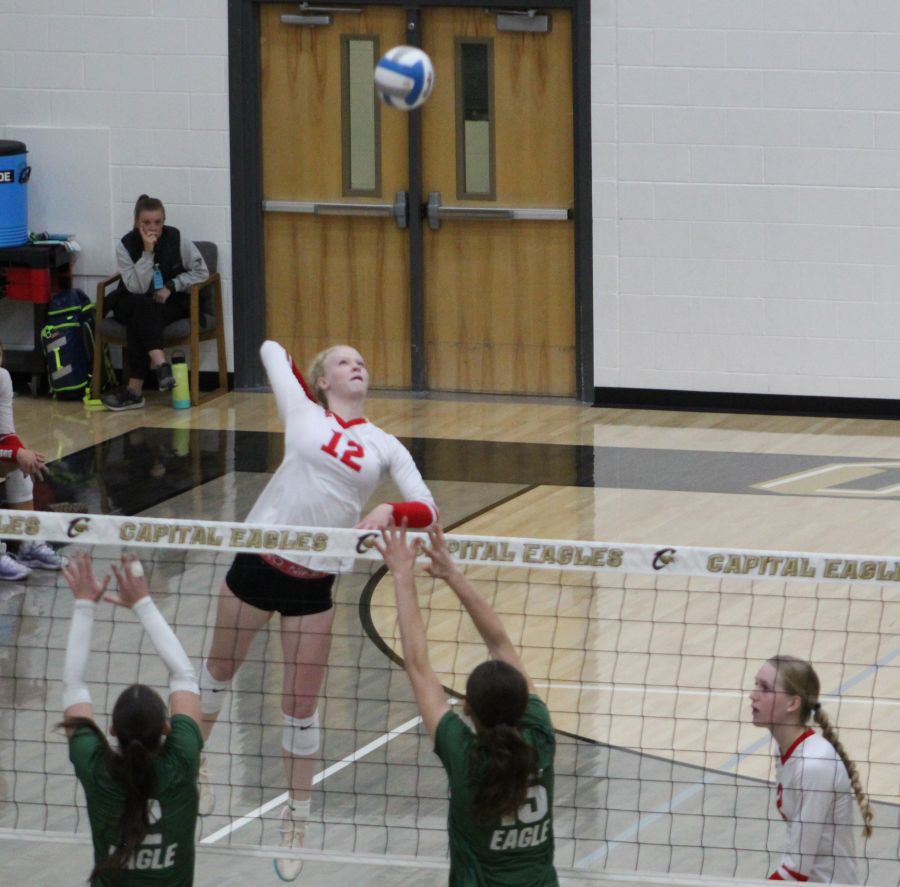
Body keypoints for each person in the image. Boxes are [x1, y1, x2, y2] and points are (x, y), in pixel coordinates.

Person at [197, 339, 437, 881]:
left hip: (314, 585)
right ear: (323, 379)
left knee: (301, 707)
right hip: (259, 562)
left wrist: (387, 509)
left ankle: (296, 821)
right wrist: (305, 392)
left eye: (362, 361)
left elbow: (428, 508)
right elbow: (268, 347)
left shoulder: (384, 445)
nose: (358, 365)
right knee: (216, 676)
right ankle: (191, 762)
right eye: (344, 361)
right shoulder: (302, 411)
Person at [377, 524, 558, 887]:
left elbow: (417, 664)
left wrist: (402, 575)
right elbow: (500, 643)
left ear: (467, 708)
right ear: (524, 703)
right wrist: (452, 574)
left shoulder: (463, 756)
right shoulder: (541, 738)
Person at [60, 551, 203, 885]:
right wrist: (143, 603)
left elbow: (73, 685)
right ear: (166, 727)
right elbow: (184, 676)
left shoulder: (96, 767)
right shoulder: (181, 761)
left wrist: (84, 605)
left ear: (111, 730)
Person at [749, 655, 874, 882]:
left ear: (793, 703)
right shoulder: (785, 749)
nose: (752, 694)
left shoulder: (813, 764)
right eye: (755, 684)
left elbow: (796, 868)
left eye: (765, 688)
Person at [101, 194, 208, 411]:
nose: (153, 228)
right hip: (132, 299)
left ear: (164, 221)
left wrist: (173, 285)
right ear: (136, 223)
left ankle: (135, 391)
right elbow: (137, 288)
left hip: (167, 300)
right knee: (141, 306)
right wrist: (147, 253)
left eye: (157, 222)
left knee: (139, 320)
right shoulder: (125, 245)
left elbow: (201, 272)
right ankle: (160, 364)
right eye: (146, 223)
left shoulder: (176, 238)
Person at [0, 340, 66, 579]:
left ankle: (29, 544)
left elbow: (6, 434)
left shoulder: (2, 378)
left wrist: (22, 456)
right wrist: (14, 454)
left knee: (20, 466)